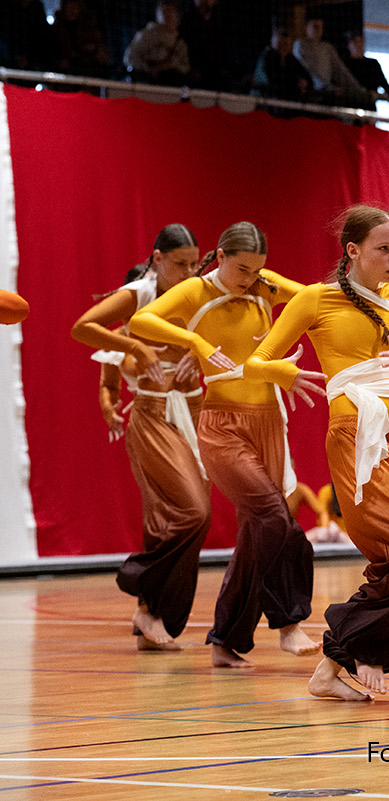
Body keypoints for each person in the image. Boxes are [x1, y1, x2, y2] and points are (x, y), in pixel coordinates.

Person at [245, 204, 389, 698]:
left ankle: (331, 668)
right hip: (359, 433)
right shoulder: (314, 300)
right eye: (384, 249)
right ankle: (356, 644)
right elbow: (257, 363)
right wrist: (287, 373)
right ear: (353, 251)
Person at [129, 222, 319, 669]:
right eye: (241, 268)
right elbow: (142, 320)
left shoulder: (264, 287)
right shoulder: (196, 291)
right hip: (221, 425)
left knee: (260, 531)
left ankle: (226, 641)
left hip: (269, 421)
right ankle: (289, 623)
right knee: (275, 517)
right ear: (220, 254)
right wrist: (193, 339)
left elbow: (313, 297)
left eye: (258, 270)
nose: (250, 277)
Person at [70, 224, 207, 651]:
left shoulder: (199, 292)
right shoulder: (140, 297)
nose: (188, 272)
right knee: (193, 512)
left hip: (198, 411)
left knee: (168, 519)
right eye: (180, 264)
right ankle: (139, 586)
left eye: (193, 263)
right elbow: (83, 328)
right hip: (152, 415)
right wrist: (137, 349)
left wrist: (196, 352)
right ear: (157, 258)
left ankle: (152, 615)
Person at [295, 18, 368, 106]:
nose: (318, 30)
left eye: (321, 27)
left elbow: (341, 71)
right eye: (315, 26)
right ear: (306, 27)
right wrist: (327, 87)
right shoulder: (300, 45)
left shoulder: (327, 48)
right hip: (310, 95)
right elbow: (310, 69)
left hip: (327, 96)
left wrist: (359, 91)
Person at [123, 2, 190, 85]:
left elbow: (185, 67)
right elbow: (130, 57)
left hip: (170, 84)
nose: (167, 16)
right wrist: (148, 69)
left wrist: (168, 67)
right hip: (145, 81)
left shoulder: (180, 43)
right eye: (164, 12)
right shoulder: (146, 36)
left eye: (171, 12)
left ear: (177, 17)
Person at [252, 26, 311, 104]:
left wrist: (305, 82)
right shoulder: (267, 57)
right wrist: (296, 83)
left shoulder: (291, 59)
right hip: (263, 101)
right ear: (272, 42)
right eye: (279, 43)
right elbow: (274, 81)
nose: (283, 47)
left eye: (286, 44)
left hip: (284, 101)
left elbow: (307, 77)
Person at [345, 32, 389, 109]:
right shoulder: (343, 64)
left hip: (368, 108)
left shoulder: (373, 64)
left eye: (361, 42)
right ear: (349, 44)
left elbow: (384, 85)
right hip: (348, 108)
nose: (359, 45)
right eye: (356, 42)